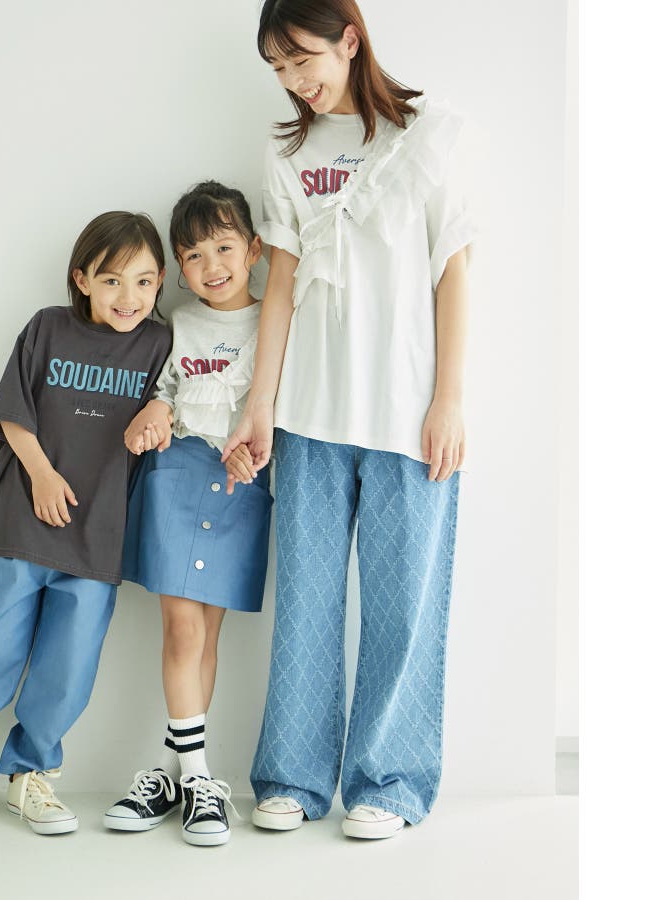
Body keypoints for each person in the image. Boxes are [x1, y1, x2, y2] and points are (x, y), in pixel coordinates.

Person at [221, 0, 477, 840]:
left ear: (350, 40)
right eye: (278, 68)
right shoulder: (287, 151)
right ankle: (292, 777)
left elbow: (453, 269)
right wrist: (261, 404)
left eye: (302, 58)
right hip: (310, 412)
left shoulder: (428, 133)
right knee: (305, 605)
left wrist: (449, 399)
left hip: (407, 413)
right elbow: (281, 285)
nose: (294, 80)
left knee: (404, 611)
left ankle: (389, 782)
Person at [0, 212, 171, 835]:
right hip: (20, 515)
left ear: (160, 283)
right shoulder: (47, 326)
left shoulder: (160, 345)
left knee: (69, 662)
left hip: (97, 530)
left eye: (145, 281)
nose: (128, 297)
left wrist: (163, 410)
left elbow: (181, 399)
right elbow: (13, 411)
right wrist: (42, 476)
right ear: (82, 279)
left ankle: (32, 775)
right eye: (112, 280)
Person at [103, 182, 271, 846]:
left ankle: (173, 776)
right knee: (181, 629)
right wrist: (156, 408)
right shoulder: (178, 322)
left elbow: (279, 402)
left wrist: (256, 450)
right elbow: (165, 389)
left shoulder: (276, 321)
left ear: (254, 250)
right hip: (178, 476)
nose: (212, 266)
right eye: (194, 256)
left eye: (224, 248)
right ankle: (202, 777)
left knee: (207, 636)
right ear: (179, 266)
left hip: (240, 486)